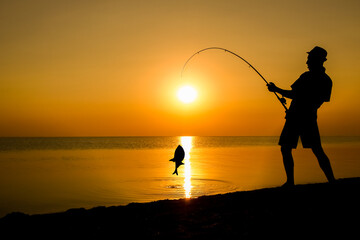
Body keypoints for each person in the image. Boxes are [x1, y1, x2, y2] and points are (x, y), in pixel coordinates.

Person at [267, 46, 336, 187]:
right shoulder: (323, 79)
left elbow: (296, 95)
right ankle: (332, 182)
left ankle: (291, 183)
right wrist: (291, 103)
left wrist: (276, 90)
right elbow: (311, 100)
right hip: (304, 118)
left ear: (318, 60)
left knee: (291, 149)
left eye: (309, 59)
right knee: (314, 150)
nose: (307, 62)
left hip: (300, 119)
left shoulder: (314, 78)